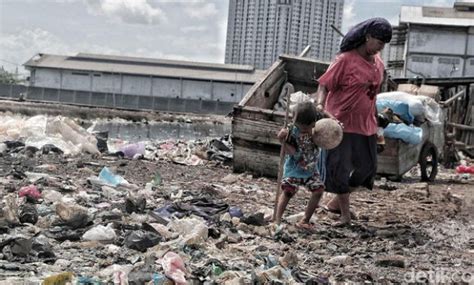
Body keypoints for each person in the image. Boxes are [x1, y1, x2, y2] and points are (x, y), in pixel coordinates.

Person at [313, 18, 392, 226]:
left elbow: (373, 94)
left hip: (366, 124)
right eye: (379, 41)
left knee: (367, 168)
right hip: (340, 122)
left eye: (384, 43)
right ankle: (345, 215)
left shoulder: (379, 64)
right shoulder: (345, 60)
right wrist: (320, 106)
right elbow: (324, 85)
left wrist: (378, 118)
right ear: (367, 37)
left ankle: (337, 202)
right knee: (339, 168)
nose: (381, 46)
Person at [274, 102, 325, 229]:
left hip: (311, 168)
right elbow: (291, 151)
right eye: (301, 128)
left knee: (318, 190)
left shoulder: (317, 129)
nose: (304, 131)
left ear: (313, 122)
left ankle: (305, 220)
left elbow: (327, 138)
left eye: (307, 128)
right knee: (288, 191)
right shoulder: (292, 131)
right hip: (294, 168)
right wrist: (282, 140)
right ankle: (277, 219)